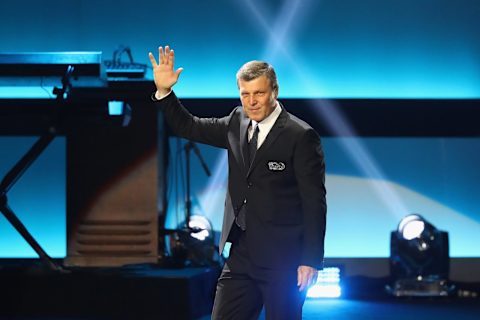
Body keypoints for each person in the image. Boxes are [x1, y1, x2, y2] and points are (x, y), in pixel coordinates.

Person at [149, 46, 327, 320]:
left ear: (274, 92)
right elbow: (189, 126)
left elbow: (314, 202)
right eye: (245, 94)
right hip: (242, 255)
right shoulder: (236, 122)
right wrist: (165, 93)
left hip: (284, 259)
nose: (252, 101)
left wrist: (310, 259)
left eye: (259, 93)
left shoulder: (300, 136)